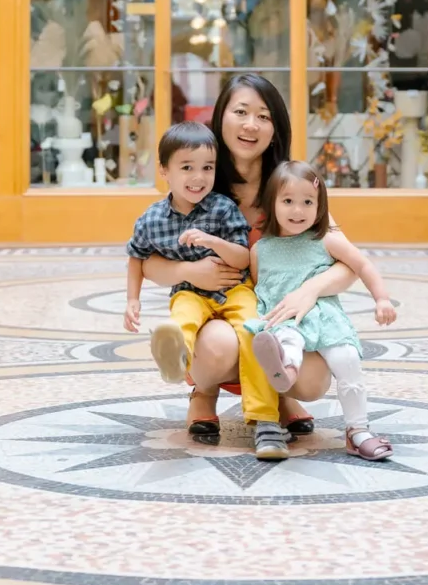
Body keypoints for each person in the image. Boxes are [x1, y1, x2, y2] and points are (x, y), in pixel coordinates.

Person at [141, 73, 358, 437]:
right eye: (240, 111)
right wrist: (191, 272)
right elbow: (147, 263)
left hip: (279, 318)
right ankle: (204, 392)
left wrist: (309, 291)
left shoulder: (292, 189)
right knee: (219, 347)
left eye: (264, 116)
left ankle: (280, 395)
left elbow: (349, 263)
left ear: (276, 127)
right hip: (220, 314)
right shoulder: (200, 181)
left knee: (314, 381)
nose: (250, 125)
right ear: (220, 116)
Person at [123, 120, 289, 461]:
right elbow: (136, 257)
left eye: (207, 168)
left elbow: (243, 257)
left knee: (253, 333)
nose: (198, 177)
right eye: (187, 167)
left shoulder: (223, 208)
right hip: (188, 291)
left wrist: (213, 241)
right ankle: (175, 358)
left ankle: (266, 419)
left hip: (235, 288)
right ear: (164, 170)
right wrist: (132, 299)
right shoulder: (151, 219)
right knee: (182, 316)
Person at [248, 160, 396, 460]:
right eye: (288, 201)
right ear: (271, 204)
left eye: (307, 202)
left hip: (325, 318)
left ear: (320, 205)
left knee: (348, 360)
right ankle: (284, 372)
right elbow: (258, 289)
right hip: (286, 319)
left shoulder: (324, 239)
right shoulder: (260, 249)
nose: (298, 210)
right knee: (287, 343)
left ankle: (358, 430)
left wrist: (381, 298)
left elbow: (361, 264)